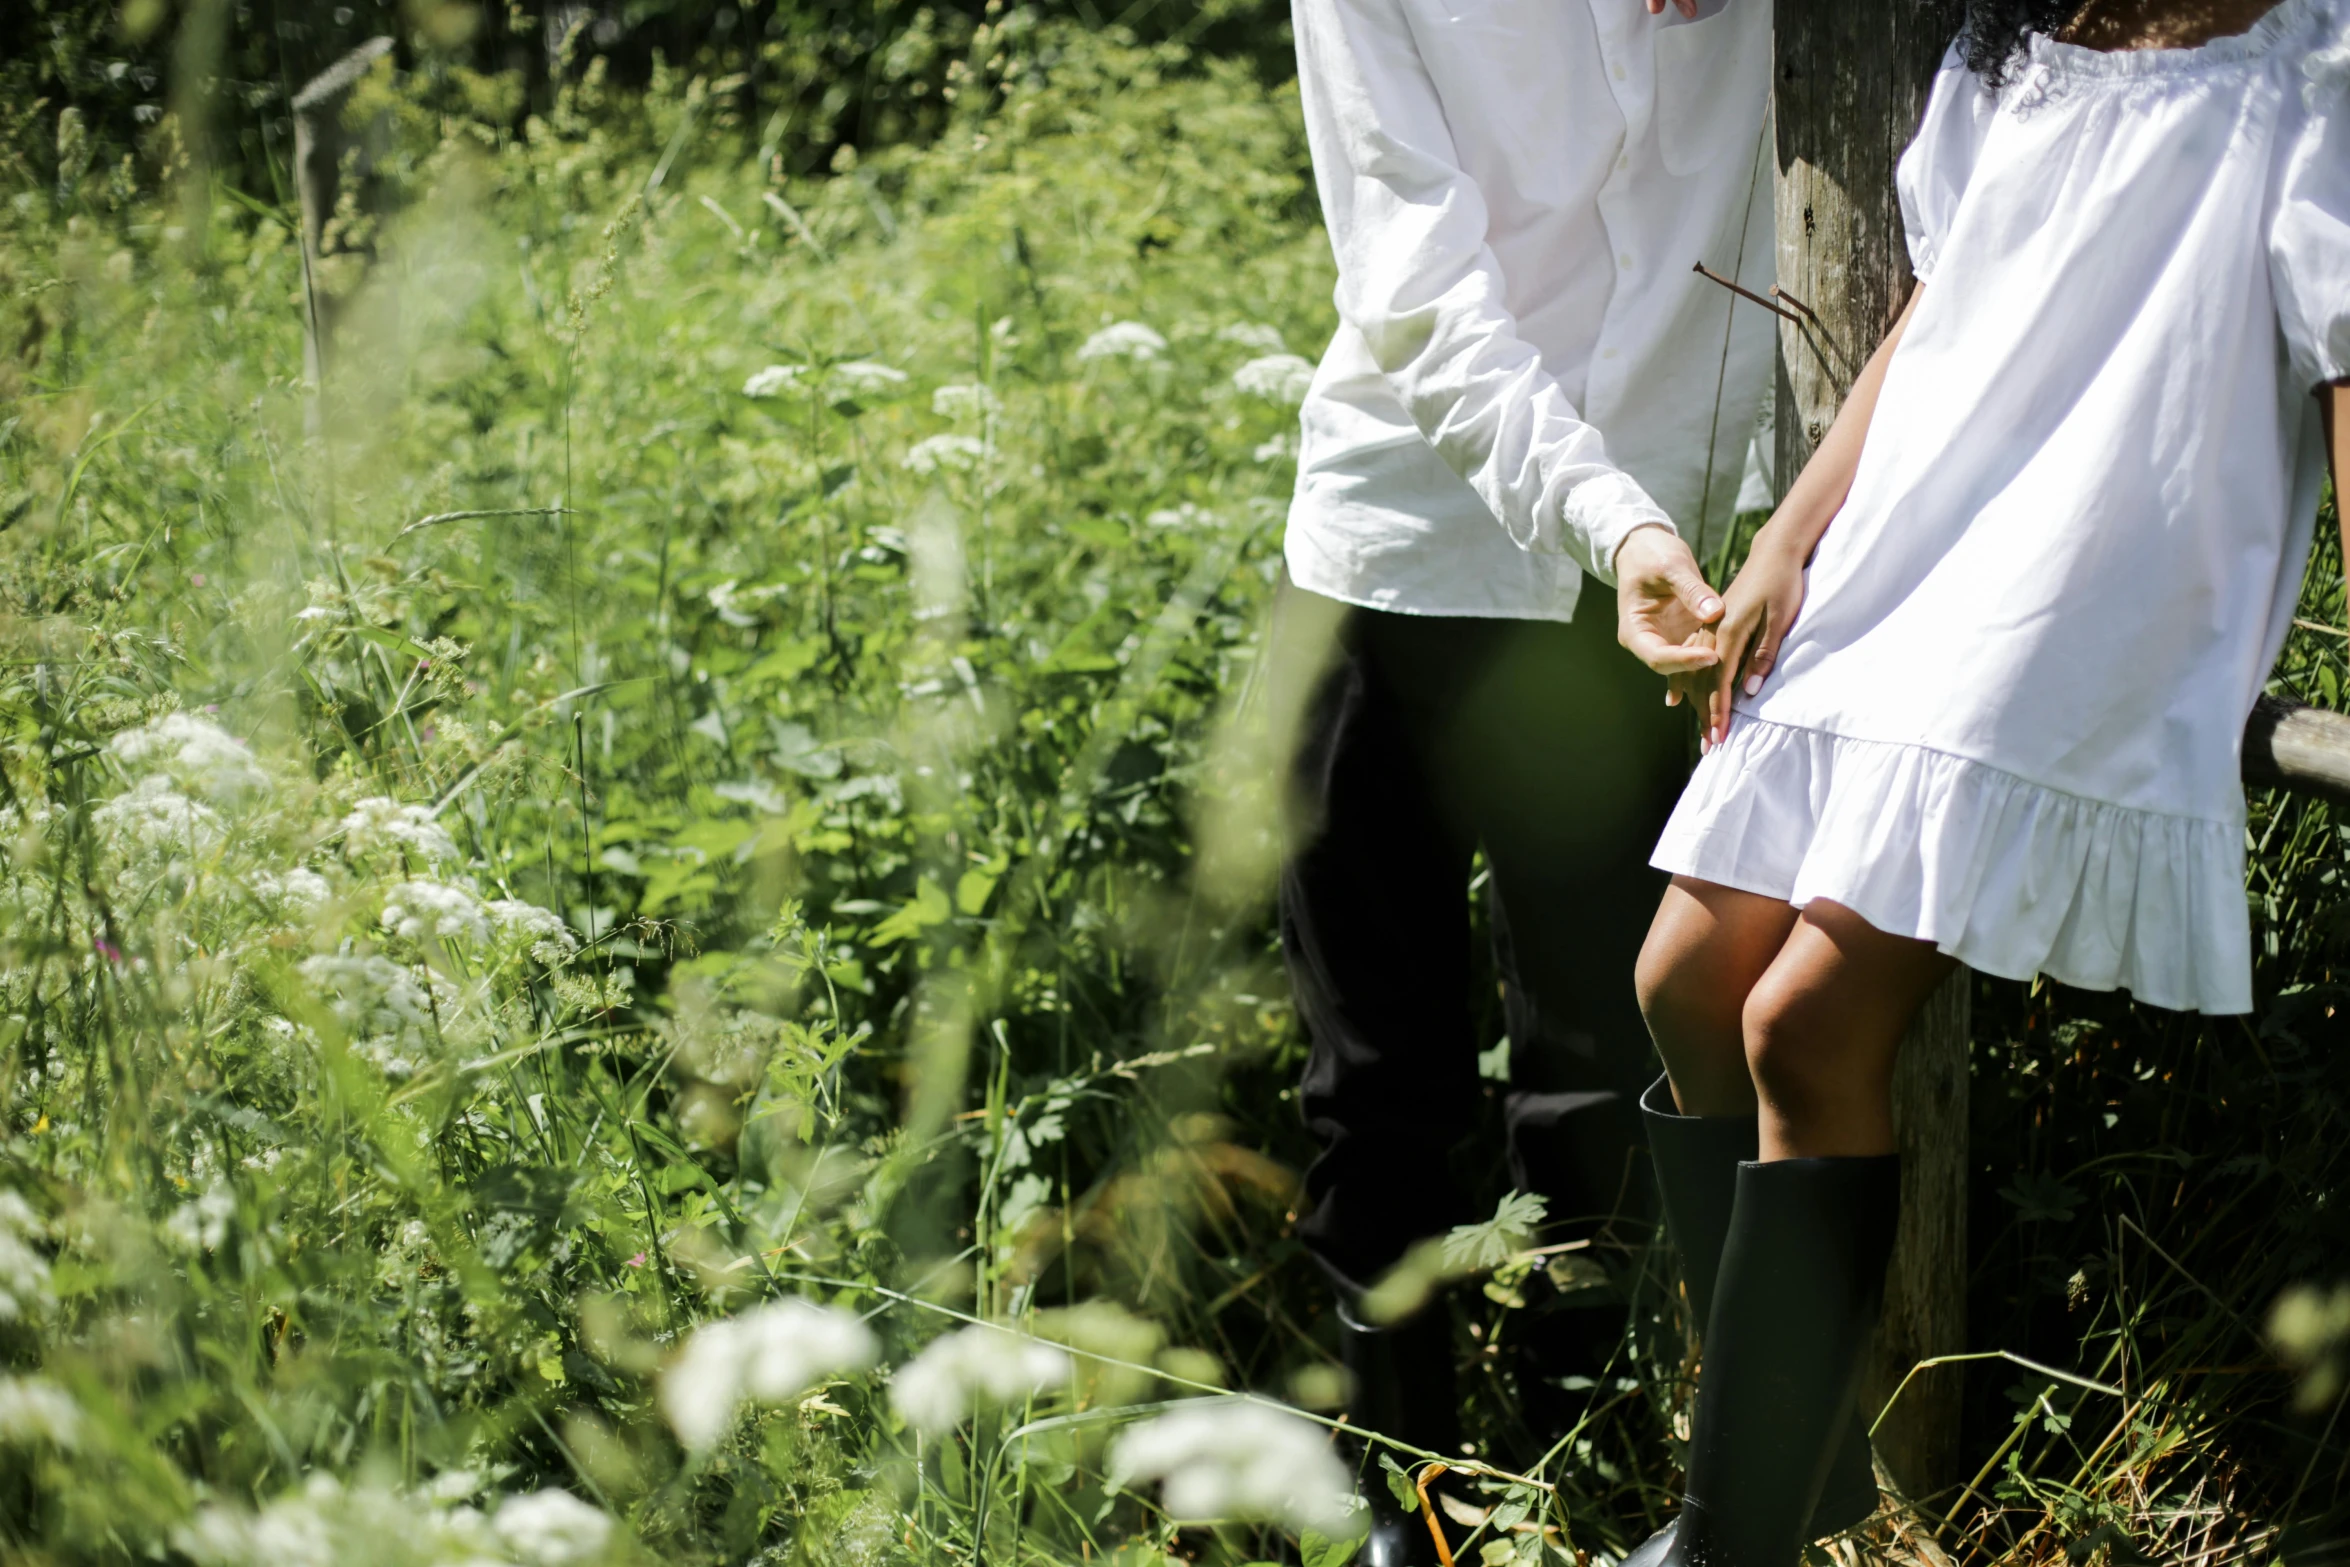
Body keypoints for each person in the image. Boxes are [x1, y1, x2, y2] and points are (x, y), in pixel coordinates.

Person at [1623, 0, 2350, 1559]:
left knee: (1801, 1018)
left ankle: (1723, 1533)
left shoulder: (2314, 62)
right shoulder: (2021, 43)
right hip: (1913, 539)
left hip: (2094, 580)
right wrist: (1787, 536)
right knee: (1683, 973)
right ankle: (1789, 1459)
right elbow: (1932, 319)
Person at [1273, 0, 1815, 1553]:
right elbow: (1413, 287)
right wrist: (1616, 521)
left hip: (1655, 586)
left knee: (1592, 1058)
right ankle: (1404, 1498)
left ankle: (1569, 1449)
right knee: (1372, 1074)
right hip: (1399, 545)